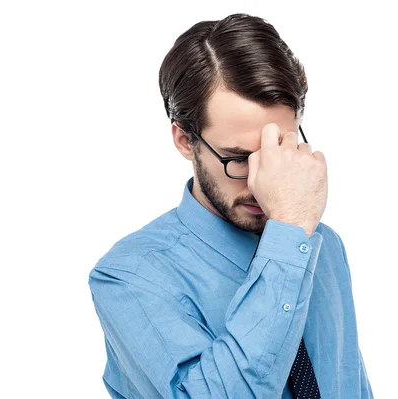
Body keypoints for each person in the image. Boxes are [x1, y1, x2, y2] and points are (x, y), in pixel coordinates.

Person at [88, 13, 373, 399]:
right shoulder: (130, 277)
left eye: (276, 149)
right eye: (238, 157)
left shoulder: (323, 245)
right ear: (186, 140)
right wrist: (289, 230)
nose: (261, 179)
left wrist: (295, 233)